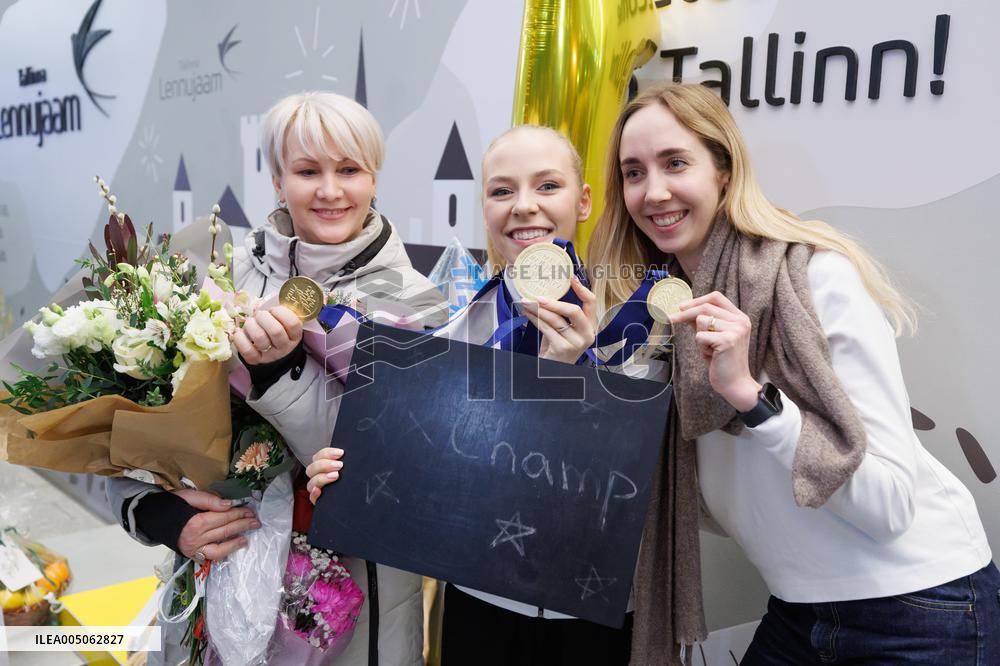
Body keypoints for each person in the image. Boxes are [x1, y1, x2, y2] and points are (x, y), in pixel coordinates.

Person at [586, 81, 997, 665]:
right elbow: (710, 498)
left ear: (724, 171)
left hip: (921, 608)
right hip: (798, 608)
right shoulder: (657, 317)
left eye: (675, 163)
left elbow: (888, 508)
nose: (654, 192)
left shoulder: (816, 279)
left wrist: (751, 397)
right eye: (633, 172)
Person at [107, 90, 447, 665]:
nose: (330, 190)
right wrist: (157, 513)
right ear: (277, 180)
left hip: (355, 612)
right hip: (218, 579)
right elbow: (134, 424)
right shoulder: (220, 277)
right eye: (308, 171)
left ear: (374, 178)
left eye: (349, 170)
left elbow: (393, 471)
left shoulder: (414, 300)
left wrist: (279, 372)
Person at [307, 126, 633, 665]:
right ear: (484, 207)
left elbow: (632, 482)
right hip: (478, 608)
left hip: (594, 617)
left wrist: (574, 374)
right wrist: (345, 475)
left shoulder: (633, 324)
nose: (523, 206)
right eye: (502, 191)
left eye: (547, 185)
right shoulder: (456, 330)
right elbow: (418, 460)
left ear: (584, 200)